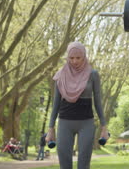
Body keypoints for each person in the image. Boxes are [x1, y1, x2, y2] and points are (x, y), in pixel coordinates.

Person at [46, 41, 108, 169]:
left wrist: (104, 126)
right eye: (71, 58)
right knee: (64, 163)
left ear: (84, 57)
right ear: (67, 57)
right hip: (64, 122)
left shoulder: (93, 75)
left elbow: (98, 101)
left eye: (78, 58)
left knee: (84, 164)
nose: (74, 61)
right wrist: (50, 128)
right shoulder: (61, 75)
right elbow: (56, 104)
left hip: (86, 123)